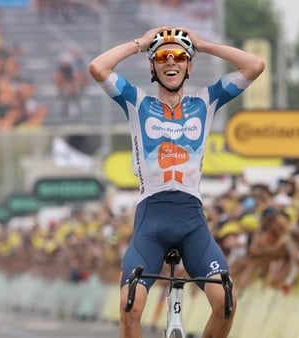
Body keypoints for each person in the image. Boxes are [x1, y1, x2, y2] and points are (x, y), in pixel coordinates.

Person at [89, 27, 264, 338]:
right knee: (129, 308)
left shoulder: (207, 100)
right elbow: (98, 68)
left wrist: (204, 45)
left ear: (189, 65)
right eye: (162, 57)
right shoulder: (136, 102)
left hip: (191, 220)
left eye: (180, 56)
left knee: (226, 302)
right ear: (153, 66)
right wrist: (140, 43)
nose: (171, 62)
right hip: (151, 222)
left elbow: (254, 66)